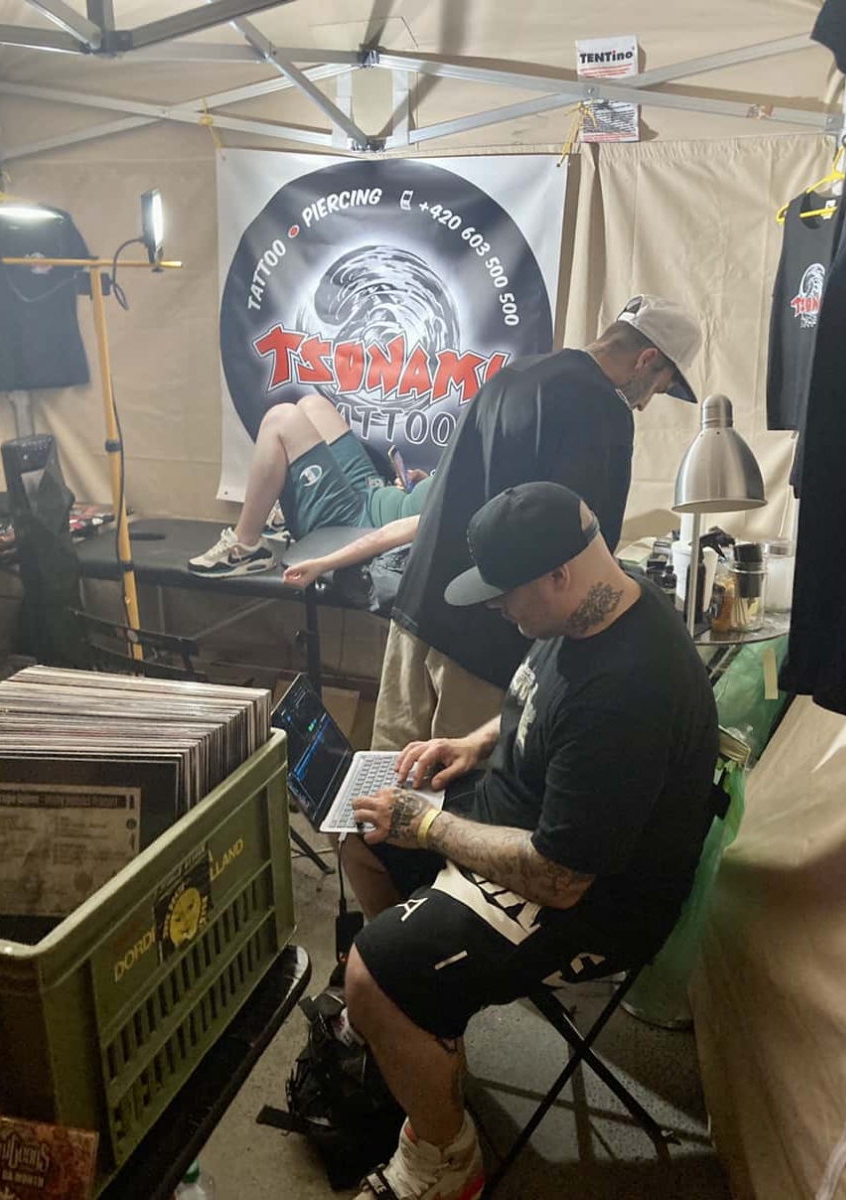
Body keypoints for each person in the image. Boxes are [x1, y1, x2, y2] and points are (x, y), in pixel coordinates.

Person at [340, 482, 719, 1200]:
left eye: (504, 594)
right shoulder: (598, 602)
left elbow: (559, 878)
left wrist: (428, 826)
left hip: (592, 900)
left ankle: (445, 1162)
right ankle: (422, 1017)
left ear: (559, 574)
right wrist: (474, 743)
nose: (496, 609)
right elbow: (539, 701)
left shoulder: (630, 690)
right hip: (524, 822)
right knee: (360, 840)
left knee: (369, 974)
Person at [371, 293, 704, 750]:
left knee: (383, 775)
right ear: (645, 360)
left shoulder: (515, 375)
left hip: (416, 610)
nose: (645, 405)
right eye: (657, 389)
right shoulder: (602, 410)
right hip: (483, 641)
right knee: (458, 783)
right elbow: (579, 554)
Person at [188, 393, 431, 579]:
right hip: (374, 492)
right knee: (313, 405)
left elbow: (397, 533)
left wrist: (324, 564)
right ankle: (289, 510)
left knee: (280, 419)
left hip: (358, 523)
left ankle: (245, 547)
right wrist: (424, 482)